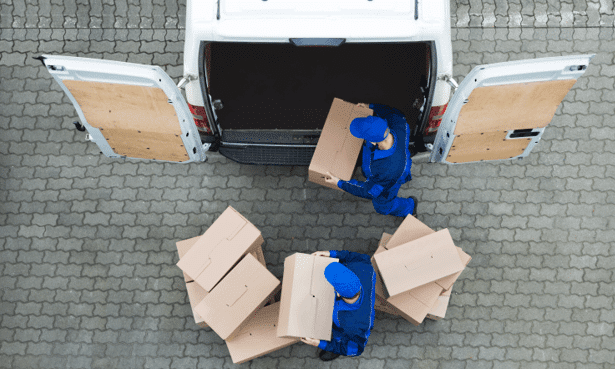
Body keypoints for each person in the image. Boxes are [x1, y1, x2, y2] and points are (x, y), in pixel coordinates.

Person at [324, 102, 417, 217]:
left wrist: (339, 183)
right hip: (399, 156)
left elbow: (368, 191)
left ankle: (409, 207)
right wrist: (370, 106)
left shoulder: (386, 171)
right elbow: (390, 111)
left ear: (373, 142)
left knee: (383, 206)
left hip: (396, 174)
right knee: (370, 169)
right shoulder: (397, 120)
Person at [300, 250, 376, 361]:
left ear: (338, 293)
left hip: (343, 328)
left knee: (338, 337)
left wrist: (320, 343)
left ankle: (334, 348)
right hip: (345, 312)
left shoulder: (355, 327)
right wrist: (331, 254)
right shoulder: (363, 266)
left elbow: (354, 350)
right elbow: (360, 256)